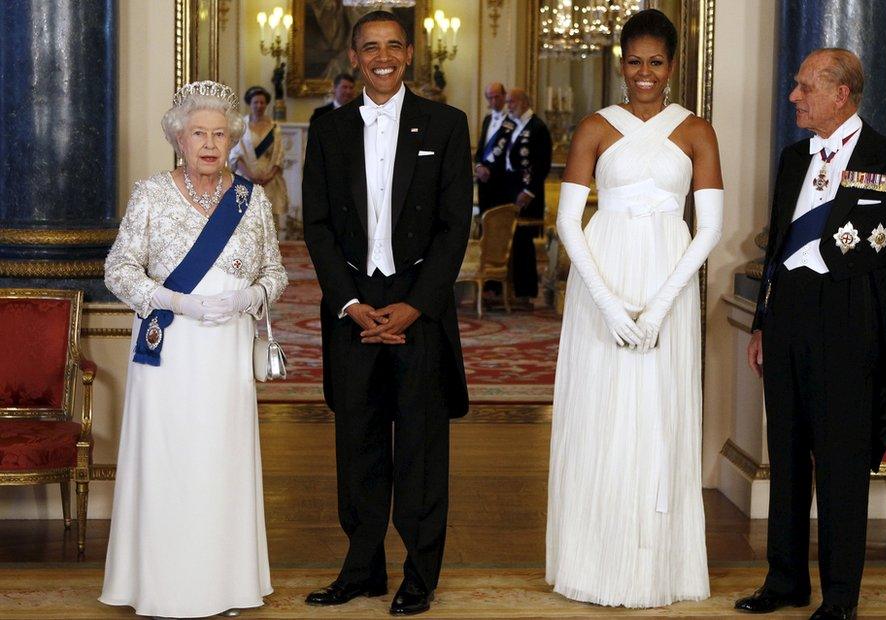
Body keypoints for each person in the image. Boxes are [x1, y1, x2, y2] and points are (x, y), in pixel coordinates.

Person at [736, 49, 886, 620]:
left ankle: (839, 598)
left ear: (841, 94)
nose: (794, 97)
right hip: (787, 322)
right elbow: (780, 247)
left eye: (805, 87)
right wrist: (761, 323)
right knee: (786, 454)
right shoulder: (791, 159)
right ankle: (784, 580)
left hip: (853, 320)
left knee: (840, 462)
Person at [546, 8, 723, 608]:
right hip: (605, 280)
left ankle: (657, 568)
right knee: (602, 414)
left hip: (667, 284)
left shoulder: (697, 130)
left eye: (655, 62)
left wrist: (657, 309)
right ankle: (593, 563)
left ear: (672, 66)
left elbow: (709, 229)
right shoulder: (596, 126)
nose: (643, 73)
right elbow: (570, 221)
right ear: (620, 64)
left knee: (657, 416)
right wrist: (611, 306)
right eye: (633, 62)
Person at [301, 10, 472, 616]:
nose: (381, 56)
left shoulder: (447, 125)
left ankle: (420, 576)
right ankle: (363, 569)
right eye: (369, 46)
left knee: (421, 450)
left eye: (393, 46)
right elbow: (316, 226)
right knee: (359, 446)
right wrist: (349, 304)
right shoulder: (327, 129)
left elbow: (455, 228)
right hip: (351, 309)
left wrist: (414, 305)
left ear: (409, 54)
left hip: (418, 313)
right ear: (354, 56)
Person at [99, 80, 287, 618]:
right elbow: (118, 270)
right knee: (170, 463)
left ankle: (222, 586)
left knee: (218, 463)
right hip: (170, 352)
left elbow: (275, 273)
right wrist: (176, 303)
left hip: (226, 353)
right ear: (179, 139)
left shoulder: (250, 203)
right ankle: (161, 587)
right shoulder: (152, 194)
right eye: (198, 133)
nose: (209, 143)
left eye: (219, 133)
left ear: (232, 140)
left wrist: (250, 294)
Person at [504, 87, 552, 302]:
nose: (509, 106)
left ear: (523, 102)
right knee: (514, 243)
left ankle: (526, 291)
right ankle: (515, 290)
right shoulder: (514, 126)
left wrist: (529, 191)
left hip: (527, 194)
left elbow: (542, 163)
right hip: (512, 190)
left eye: (512, 102)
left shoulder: (537, 127)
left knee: (524, 243)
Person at [230, 86, 289, 234]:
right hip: (246, 179)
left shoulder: (275, 128)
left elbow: (279, 155)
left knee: (269, 222)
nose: (259, 106)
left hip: (269, 181)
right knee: (246, 221)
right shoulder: (240, 127)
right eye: (256, 102)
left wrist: (268, 177)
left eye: (262, 103)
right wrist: (251, 176)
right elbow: (235, 155)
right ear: (250, 103)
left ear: (266, 104)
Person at [474, 82, 516, 212]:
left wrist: (490, 170)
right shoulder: (487, 120)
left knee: (499, 222)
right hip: (484, 182)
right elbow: (481, 147)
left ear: (504, 96)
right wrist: (479, 166)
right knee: (484, 219)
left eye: (497, 97)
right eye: (490, 97)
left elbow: (511, 153)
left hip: (501, 181)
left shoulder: (513, 121)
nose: (494, 101)